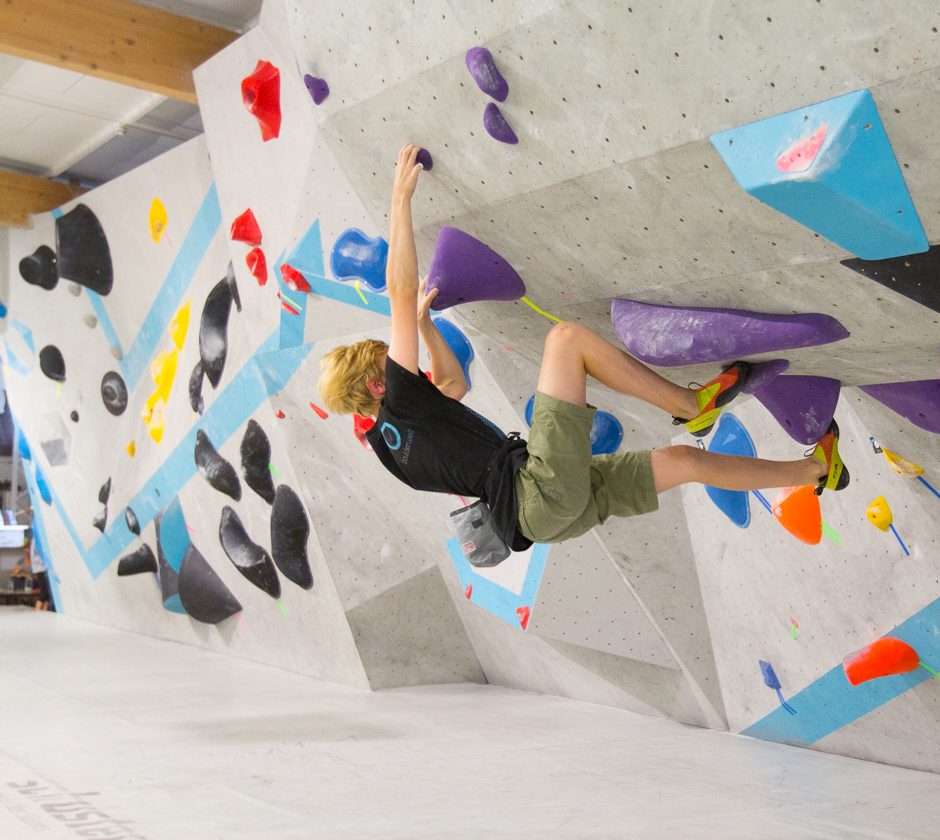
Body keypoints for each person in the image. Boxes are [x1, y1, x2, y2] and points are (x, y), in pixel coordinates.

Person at [317, 144, 848, 553]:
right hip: (537, 490)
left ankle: (814, 472)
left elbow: (452, 386)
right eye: (384, 357)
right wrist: (399, 200)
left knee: (685, 462)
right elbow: (402, 288)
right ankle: (691, 405)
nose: (393, 354)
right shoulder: (399, 401)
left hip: (545, 519)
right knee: (565, 340)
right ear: (373, 382)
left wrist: (428, 331)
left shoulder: (390, 447)